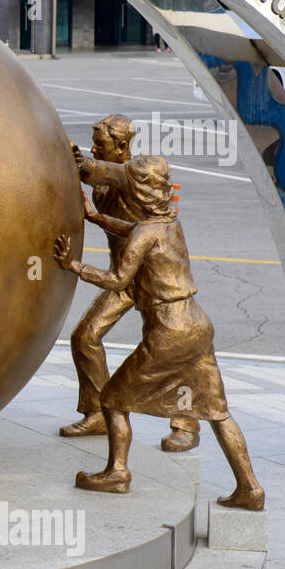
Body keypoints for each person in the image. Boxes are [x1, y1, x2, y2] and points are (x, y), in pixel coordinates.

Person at [53, 156, 264, 510]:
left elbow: (118, 280)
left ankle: (117, 473)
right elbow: (138, 232)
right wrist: (96, 217)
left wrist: (73, 265)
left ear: (136, 191)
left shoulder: (144, 233)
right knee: (218, 412)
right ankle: (250, 488)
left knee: (112, 399)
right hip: (198, 325)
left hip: (169, 330)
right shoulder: (170, 222)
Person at [62, 114, 201, 454]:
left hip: (154, 279)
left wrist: (83, 163)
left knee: (175, 348)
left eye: (102, 142)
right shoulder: (109, 175)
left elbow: (103, 172)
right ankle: (96, 412)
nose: (95, 146)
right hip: (124, 277)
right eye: (93, 141)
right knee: (85, 336)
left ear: (122, 145)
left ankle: (186, 424)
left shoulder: (134, 174)